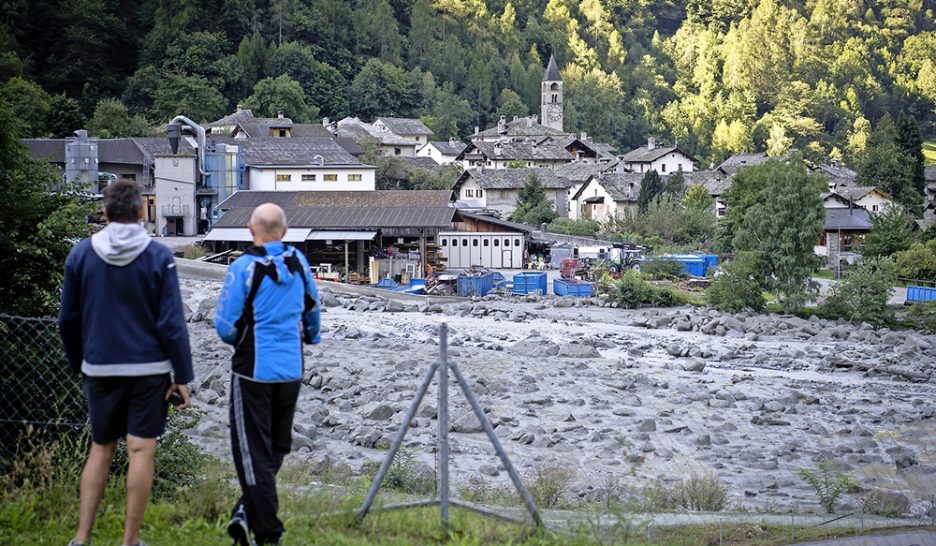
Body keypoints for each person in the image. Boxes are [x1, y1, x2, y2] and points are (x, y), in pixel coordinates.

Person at [58, 180, 194, 546]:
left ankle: (81, 537)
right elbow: (171, 323)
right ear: (140, 212)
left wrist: (79, 363)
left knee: (101, 448)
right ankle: (129, 541)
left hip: (99, 367)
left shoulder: (81, 254)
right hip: (148, 370)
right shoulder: (158, 256)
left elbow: (68, 320)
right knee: (141, 450)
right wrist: (183, 376)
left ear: (104, 212)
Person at [215, 203, 320, 546]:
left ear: (250, 230)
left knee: (249, 451)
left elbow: (225, 327)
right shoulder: (300, 263)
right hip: (291, 369)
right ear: (285, 232)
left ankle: (268, 532)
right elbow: (313, 312)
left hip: (253, 372)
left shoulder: (243, 267)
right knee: (275, 448)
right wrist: (310, 336)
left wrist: (241, 337)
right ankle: (245, 512)